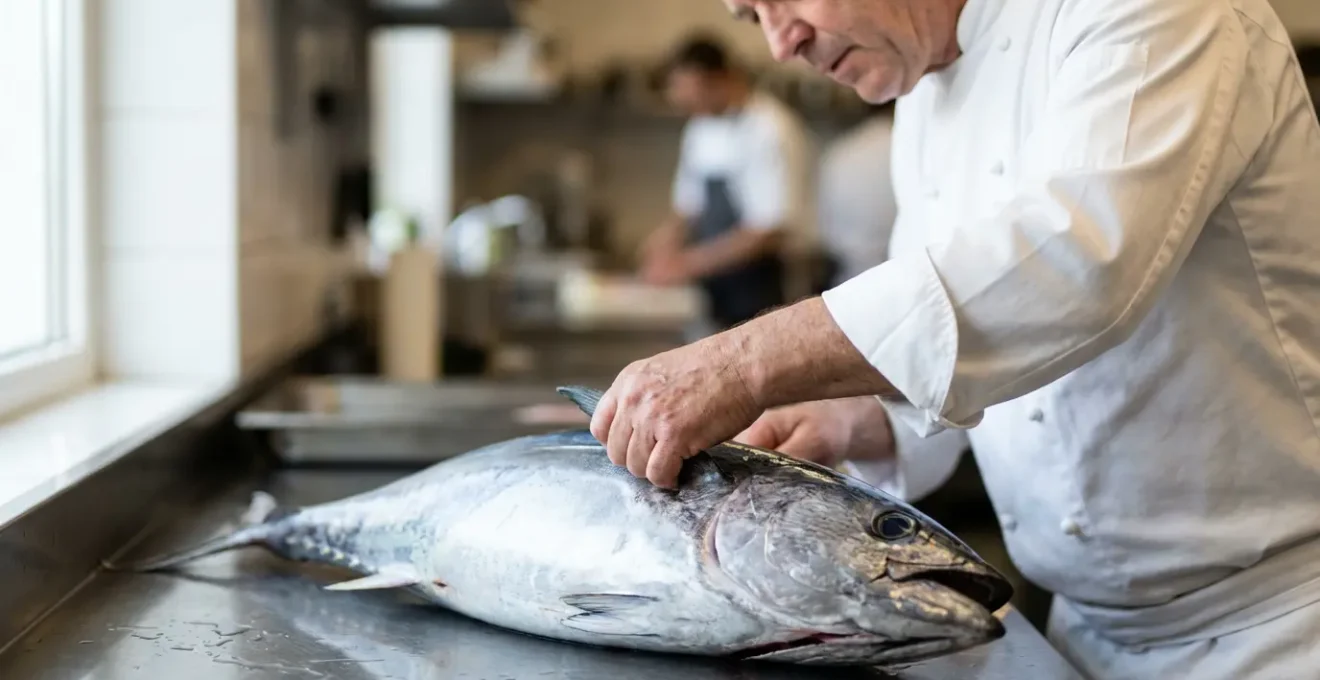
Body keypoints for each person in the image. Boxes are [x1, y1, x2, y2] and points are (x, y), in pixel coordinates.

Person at [587, 0, 1320, 678]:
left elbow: (1075, 265)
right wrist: (869, 420)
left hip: (1275, 629)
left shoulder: (1147, 10)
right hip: (1077, 629)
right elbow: (972, 340)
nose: (782, 41)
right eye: (754, 15)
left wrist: (742, 365)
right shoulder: (924, 102)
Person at [639, 35, 816, 331]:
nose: (688, 104)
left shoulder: (770, 128)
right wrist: (662, 243)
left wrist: (686, 264)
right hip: (716, 282)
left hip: (763, 283)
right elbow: (689, 207)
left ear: (722, 79)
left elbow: (768, 232)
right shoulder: (700, 126)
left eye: (694, 93)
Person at [816, 102, 898, 287]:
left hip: (849, 276)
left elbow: (827, 232)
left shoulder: (840, 150)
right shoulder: (901, 143)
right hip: (898, 269)